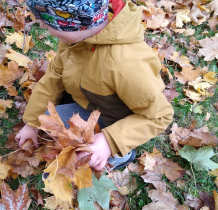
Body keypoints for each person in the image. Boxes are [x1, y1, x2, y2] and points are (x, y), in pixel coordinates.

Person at [16, 0, 174, 171]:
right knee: (46, 120)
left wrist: (109, 141)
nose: (42, 25)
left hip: (116, 120)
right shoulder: (75, 39)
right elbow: (53, 79)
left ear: (77, 23)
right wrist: (32, 123)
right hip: (88, 98)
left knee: (83, 159)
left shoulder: (126, 64)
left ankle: (121, 154)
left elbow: (158, 116)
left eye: (47, 19)